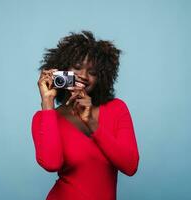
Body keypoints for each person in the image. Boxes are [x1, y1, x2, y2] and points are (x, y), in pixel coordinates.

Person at [31, 30, 140, 200]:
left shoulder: (117, 109)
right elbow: (51, 163)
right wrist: (47, 101)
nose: (83, 75)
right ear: (62, 70)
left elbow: (130, 165)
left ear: (102, 77)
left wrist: (92, 123)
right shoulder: (45, 117)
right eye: (76, 67)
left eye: (93, 72)